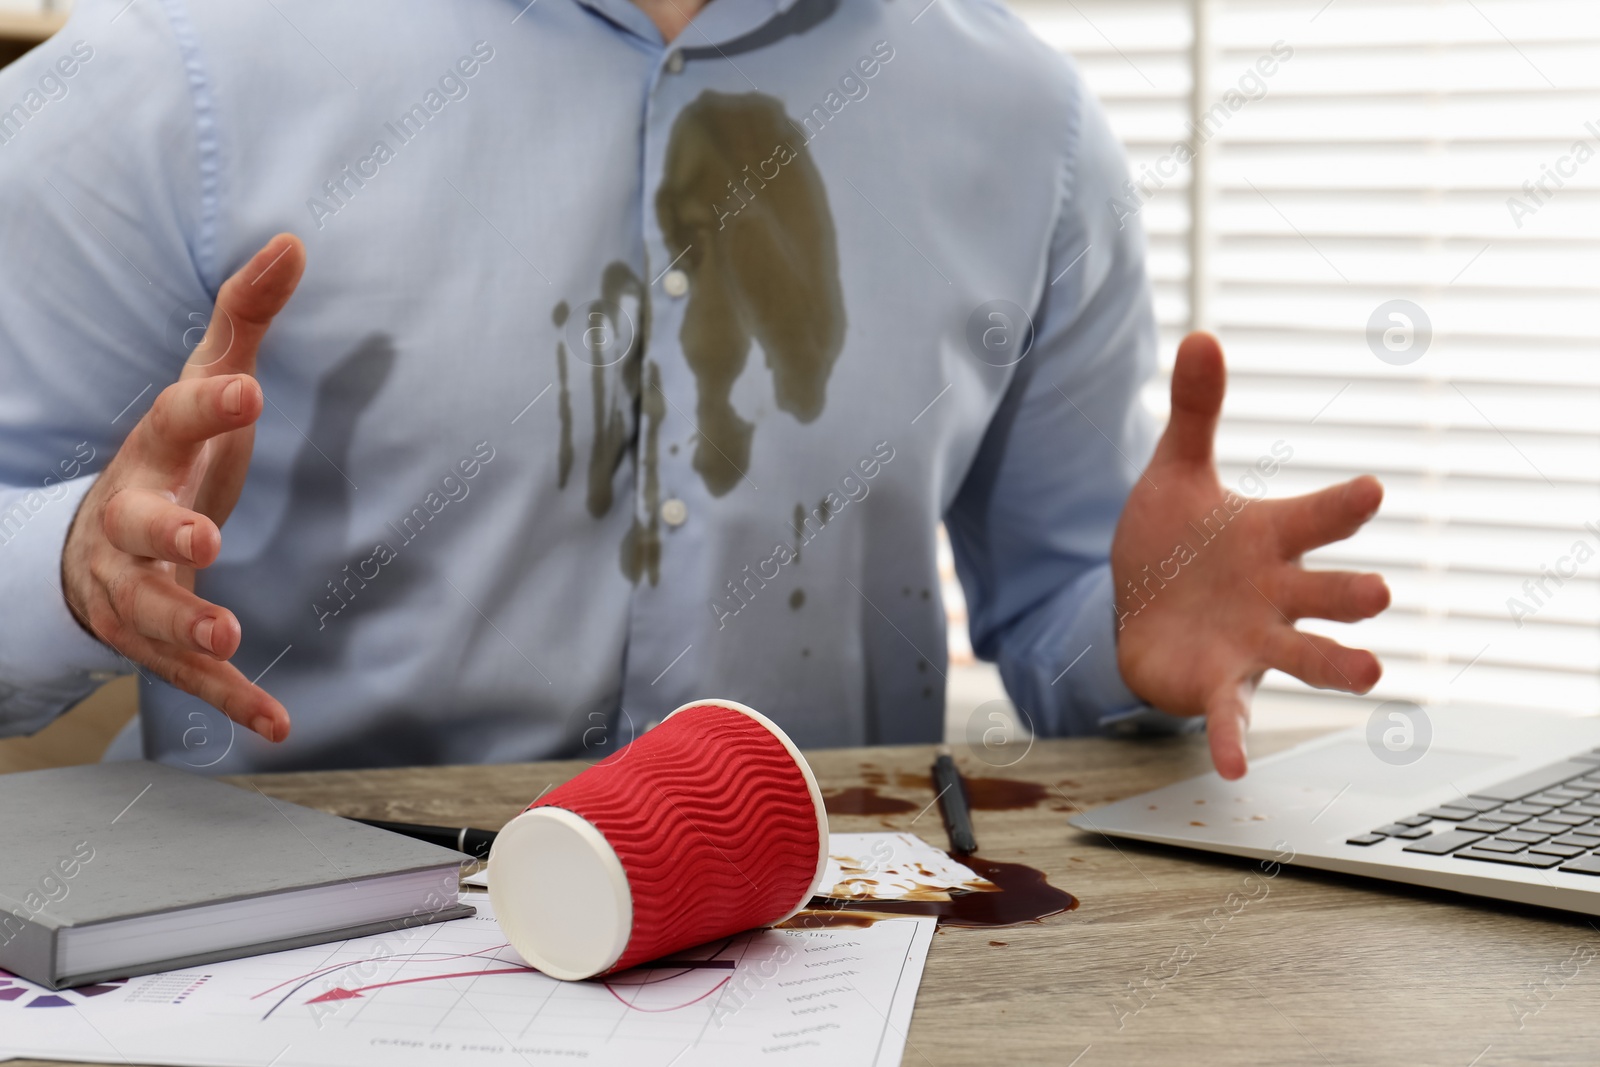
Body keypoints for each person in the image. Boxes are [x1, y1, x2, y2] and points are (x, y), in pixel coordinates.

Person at [0, 0, 1388, 777]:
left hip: (833, 952)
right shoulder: (168, 82)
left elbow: (1061, 629)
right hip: (294, 972)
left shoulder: (1034, 126)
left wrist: (1135, 637)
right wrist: (70, 567)